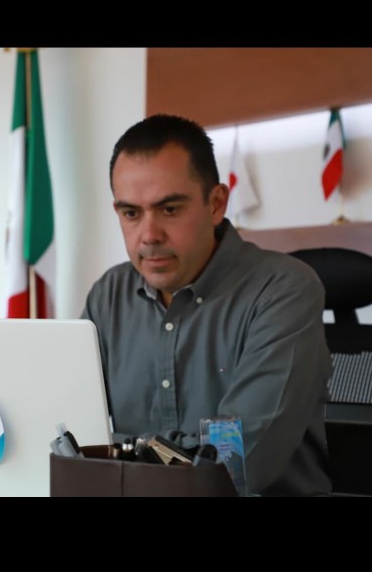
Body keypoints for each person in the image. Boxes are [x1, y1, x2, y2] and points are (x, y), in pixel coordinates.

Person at [81, 114, 332, 496]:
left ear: (215, 204)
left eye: (170, 209)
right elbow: (70, 430)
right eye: (131, 213)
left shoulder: (283, 290)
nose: (149, 235)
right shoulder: (108, 295)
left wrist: (122, 456)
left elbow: (234, 463)